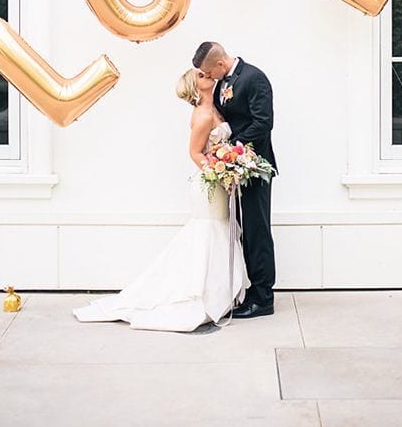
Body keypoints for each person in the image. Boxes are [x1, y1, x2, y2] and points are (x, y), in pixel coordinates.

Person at [72, 67, 249, 331]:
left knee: (220, 230)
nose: (208, 76)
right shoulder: (202, 115)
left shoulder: (216, 109)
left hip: (221, 184)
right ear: (195, 85)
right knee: (209, 231)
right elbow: (195, 153)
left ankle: (221, 292)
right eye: (201, 76)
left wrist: (231, 163)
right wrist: (221, 172)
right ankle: (196, 292)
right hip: (209, 186)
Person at [193, 41, 276, 319]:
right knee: (242, 232)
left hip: (255, 167)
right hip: (234, 168)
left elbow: (263, 123)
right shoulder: (221, 84)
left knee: (257, 231)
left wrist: (234, 148)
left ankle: (263, 298)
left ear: (219, 64)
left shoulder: (255, 78)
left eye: (210, 73)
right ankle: (248, 291)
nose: (211, 79)